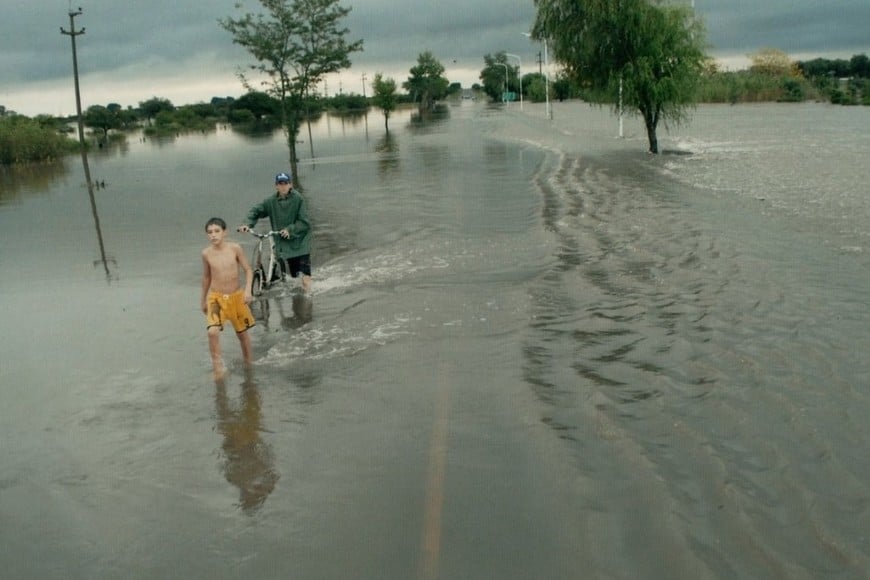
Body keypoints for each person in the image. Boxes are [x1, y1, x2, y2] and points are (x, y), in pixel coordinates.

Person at [237, 172, 312, 294]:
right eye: (280, 184)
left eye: (285, 183)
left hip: (300, 241)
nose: (283, 186)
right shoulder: (271, 201)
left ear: (290, 185)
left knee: (305, 277)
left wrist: (289, 230)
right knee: (295, 277)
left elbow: (304, 222)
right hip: (284, 241)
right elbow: (256, 211)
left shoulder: (299, 199)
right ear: (276, 186)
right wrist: (247, 224)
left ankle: (309, 300)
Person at [201, 217, 255, 377]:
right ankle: (218, 368)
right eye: (210, 232)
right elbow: (206, 277)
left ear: (225, 232)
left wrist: (248, 291)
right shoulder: (206, 253)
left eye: (217, 231)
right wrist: (203, 300)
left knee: (242, 334)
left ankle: (248, 363)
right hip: (216, 298)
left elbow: (248, 270)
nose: (213, 235)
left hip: (237, 297)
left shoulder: (235, 248)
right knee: (212, 332)